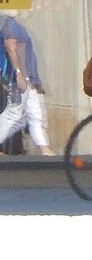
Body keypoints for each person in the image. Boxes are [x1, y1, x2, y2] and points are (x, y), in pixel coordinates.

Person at [0, 13, 53, 155]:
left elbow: (23, 54)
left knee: (33, 115)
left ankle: (44, 148)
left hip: (26, 78)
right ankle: (44, 148)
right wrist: (19, 74)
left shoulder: (14, 25)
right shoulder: (9, 24)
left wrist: (34, 79)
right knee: (14, 113)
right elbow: (11, 49)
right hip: (19, 78)